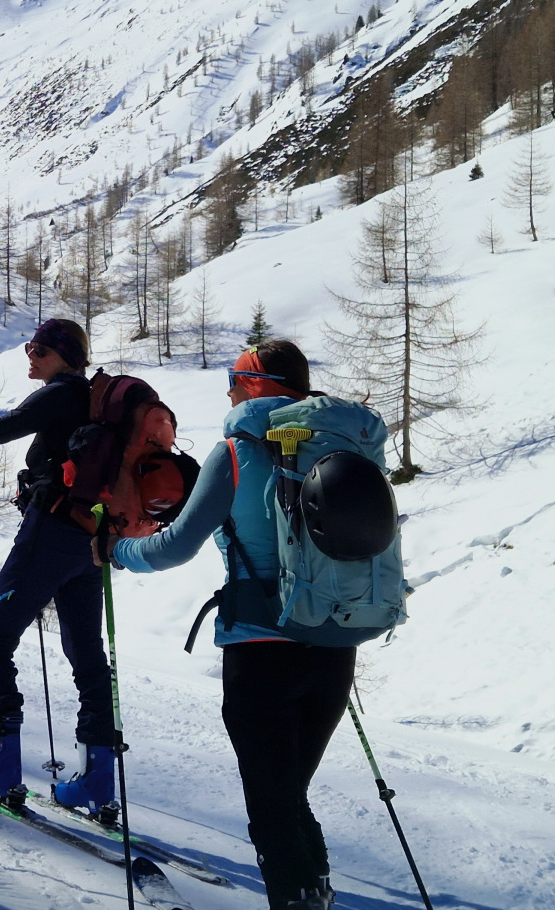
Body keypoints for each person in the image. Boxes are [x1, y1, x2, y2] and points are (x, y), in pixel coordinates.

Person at [100, 340, 354, 910]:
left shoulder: (238, 451)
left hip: (262, 651)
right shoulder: (343, 444)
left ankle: (298, 900)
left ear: (254, 387)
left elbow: (174, 546)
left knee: (272, 808)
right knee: (288, 795)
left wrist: (116, 551)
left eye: (234, 381)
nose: (231, 393)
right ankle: (315, 895)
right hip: (336, 647)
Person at [0, 318, 119, 812]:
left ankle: (2, 767)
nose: (31, 356)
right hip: (89, 541)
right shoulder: (94, 399)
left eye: (39, 349)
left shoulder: (61, 392)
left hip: (50, 536)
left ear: (65, 355)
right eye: (29, 347)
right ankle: (97, 781)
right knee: (87, 655)